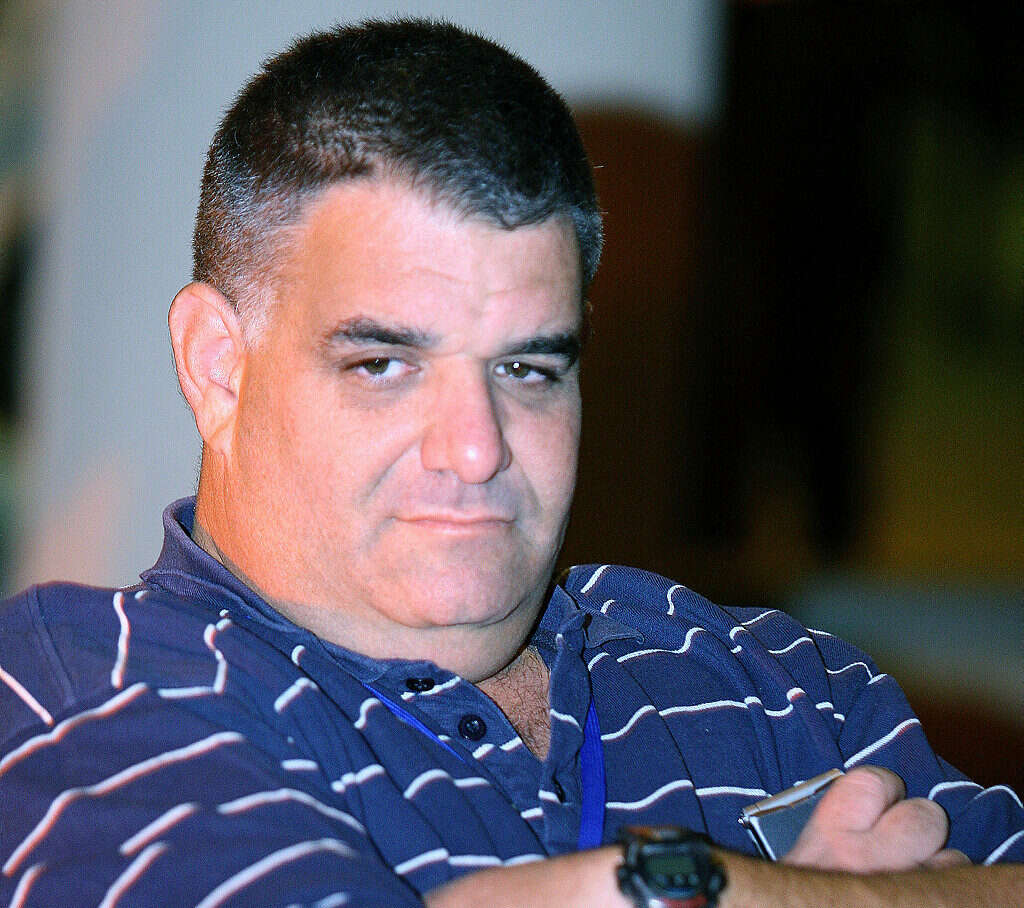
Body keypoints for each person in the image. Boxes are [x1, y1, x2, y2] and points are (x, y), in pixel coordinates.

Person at [0, 18, 1020, 907]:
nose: (477, 446)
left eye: (527, 369)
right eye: (384, 363)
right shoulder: (86, 695)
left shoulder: (767, 677)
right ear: (218, 366)